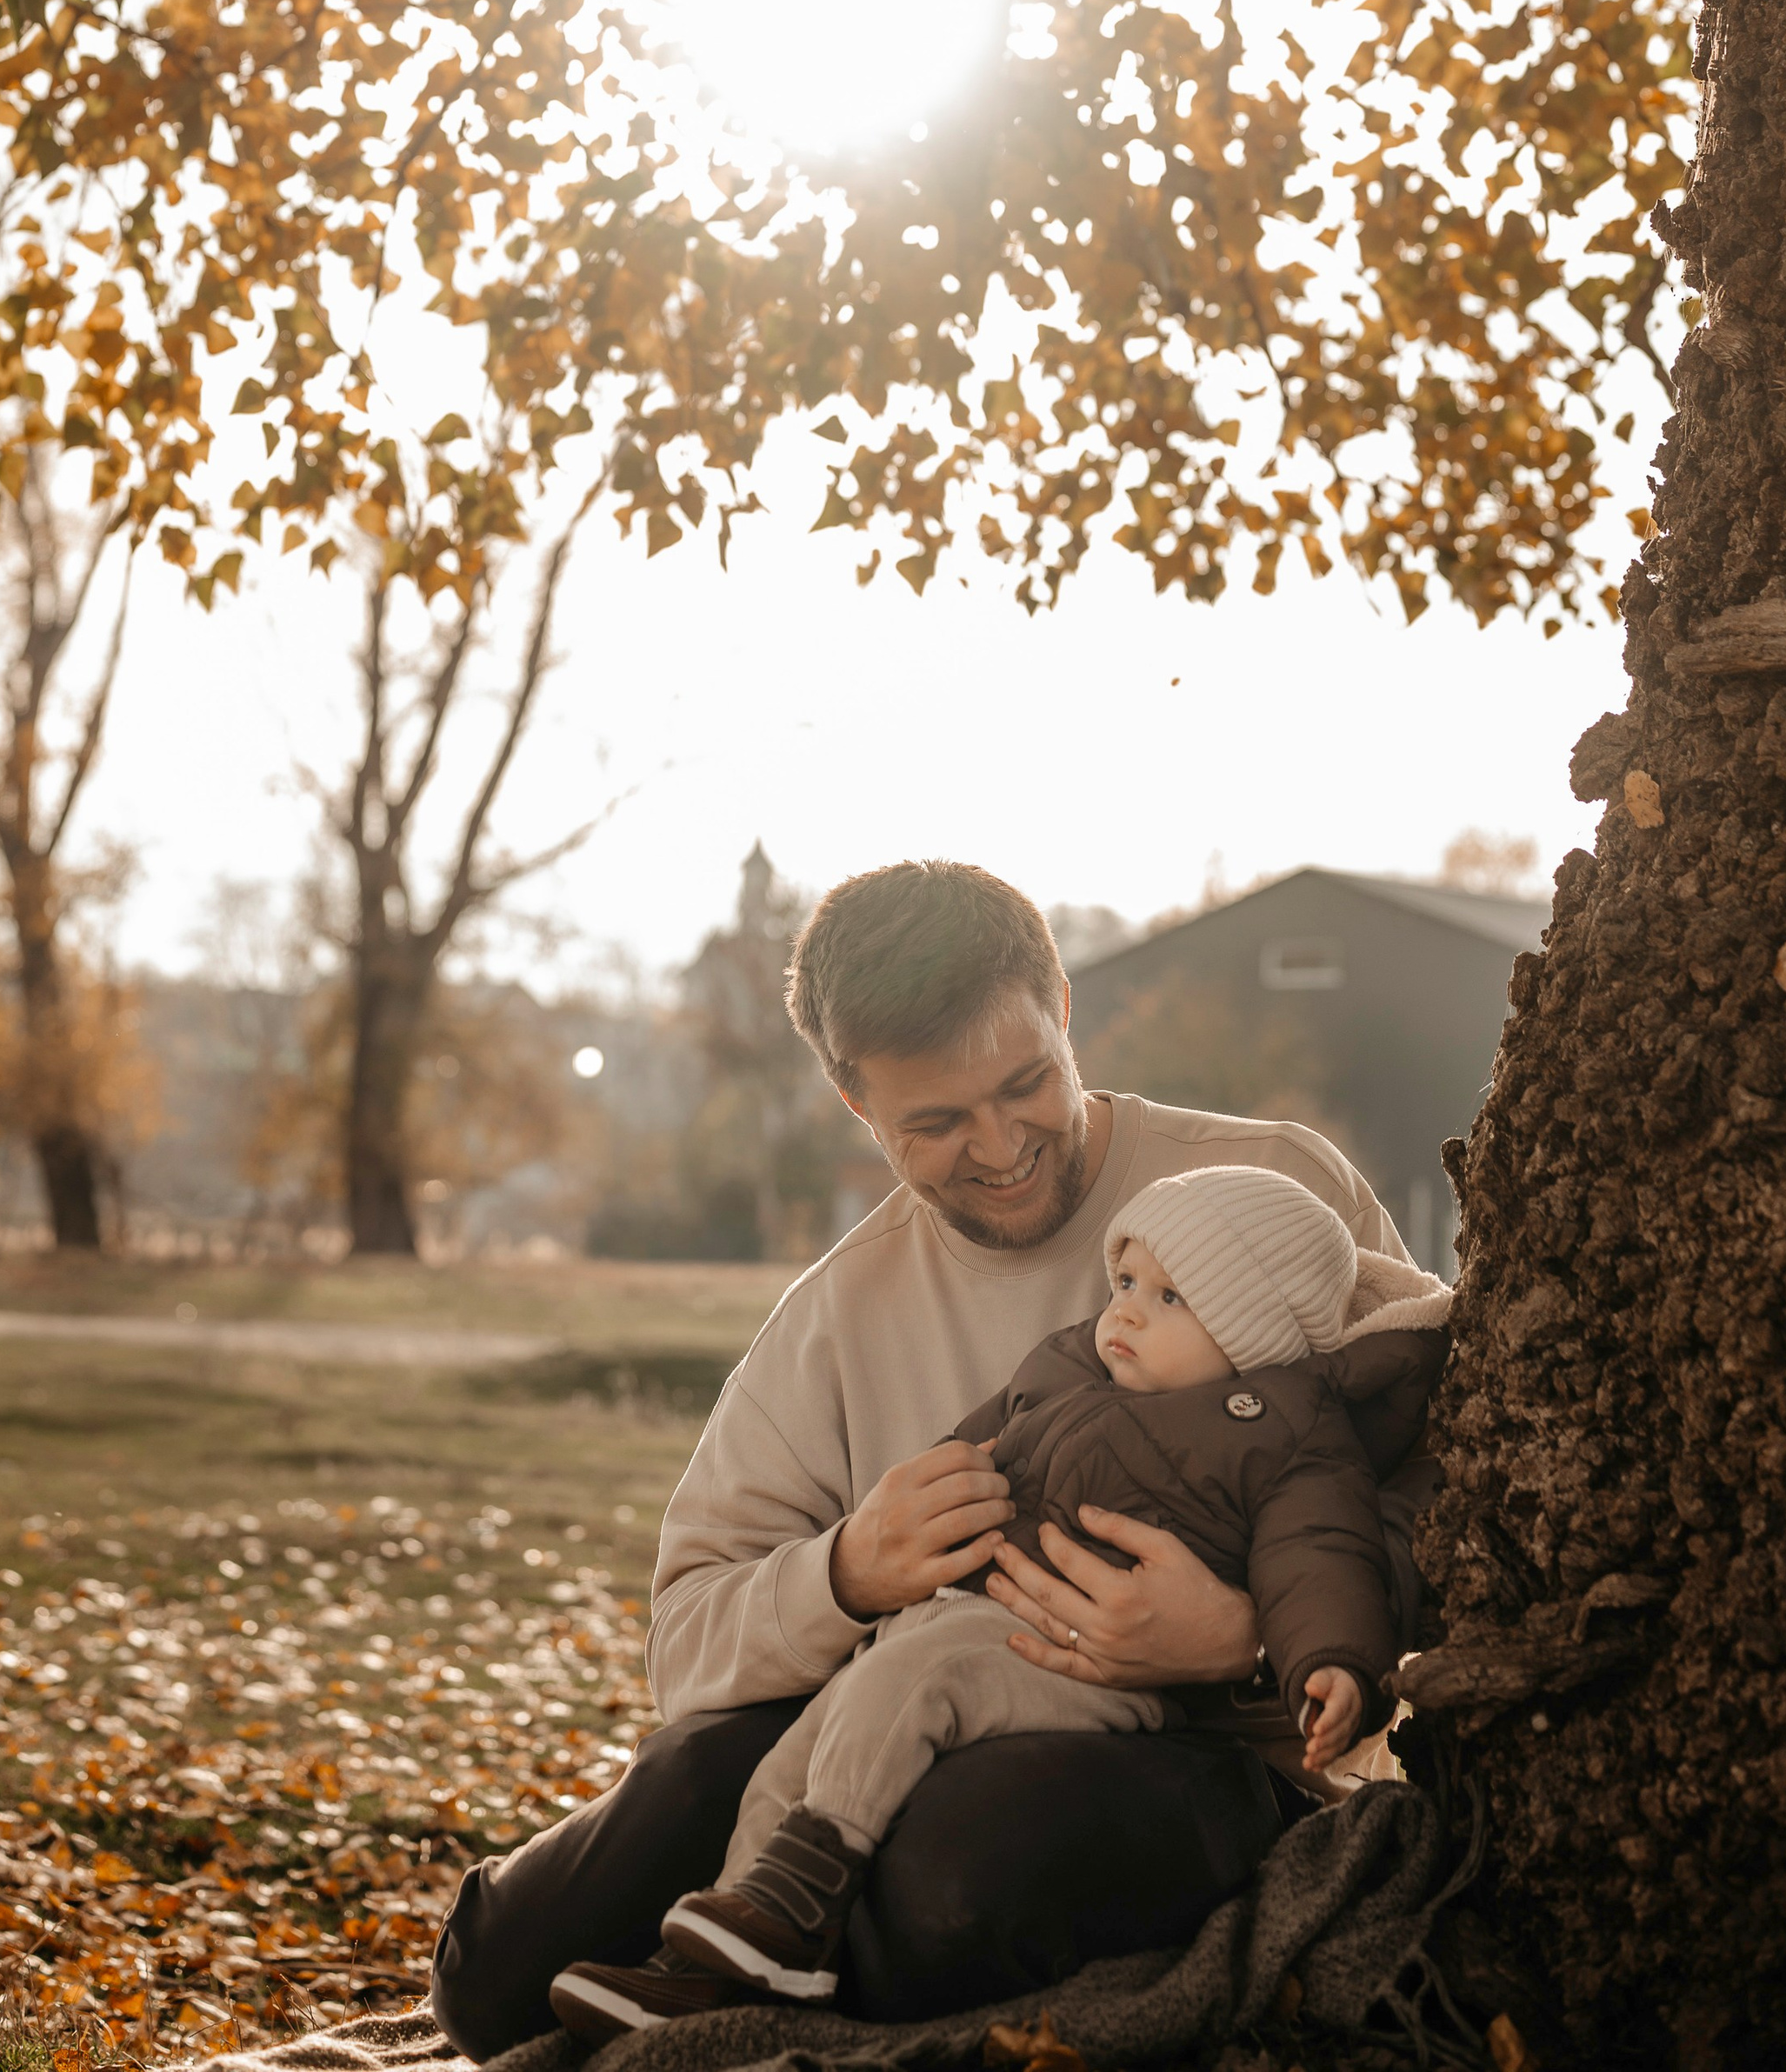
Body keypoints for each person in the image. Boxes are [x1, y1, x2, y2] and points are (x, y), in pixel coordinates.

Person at [430, 861, 1442, 2054]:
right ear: (858, 1105)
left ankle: (748, 1968)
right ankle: (750, 1946)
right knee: (505, 1972)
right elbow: (689, 1644)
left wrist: (1242, 1639)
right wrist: (849, 1571)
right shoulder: (838, 1315)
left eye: (1025, 1087)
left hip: (1202, 1758)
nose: (1003, 1146)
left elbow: (1437, 1472)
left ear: (1063, 1008)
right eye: (939, 1122)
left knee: (954, 1878)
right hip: (893, 1716)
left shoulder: (1271, 1190)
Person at [549, 1163, 1453, 2035]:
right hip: (966, 1626)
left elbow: (1321, 1558)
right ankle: (734, 1940)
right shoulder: (1069, 1366)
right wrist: (918, 1506)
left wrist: (1330, 1665)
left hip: (1098, 1674)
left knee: (917, 1681)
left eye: (1170, 1298)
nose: (1125, 1310)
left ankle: (795, 1906)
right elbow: (973, 1442)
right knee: (807, 1745)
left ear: (1252, 1332)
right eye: (1127, 1278)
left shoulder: (1286, 1437)